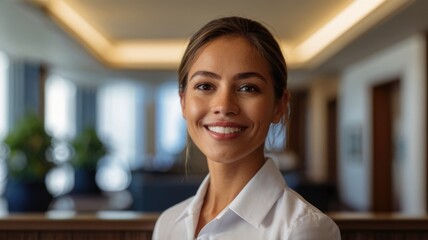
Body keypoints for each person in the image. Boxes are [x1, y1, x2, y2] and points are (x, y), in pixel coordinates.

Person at [153, 16, 341, 240]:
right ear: (183, 102)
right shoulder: (168, 223)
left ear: (279, 105)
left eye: (248, 88)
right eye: (205, 86)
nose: (223, 106)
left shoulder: (303, 228)